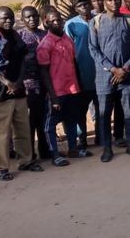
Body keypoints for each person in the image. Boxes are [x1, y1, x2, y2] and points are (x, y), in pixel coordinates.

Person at [0, 7, 43, 180]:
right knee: (1, 133)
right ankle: (2, 168)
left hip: (18, 89)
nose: (8, 21)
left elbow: (23, 58)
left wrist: (18, 81)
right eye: (4, 18)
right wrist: (5, 82)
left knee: (22, 129)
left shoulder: (14, 34)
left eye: (11, 17)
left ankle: (26, 161)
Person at [88, 0, 130, 162]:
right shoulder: (96, 22)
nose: (114, 3)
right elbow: (93, 49)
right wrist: (113, 69)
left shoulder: (129, 21)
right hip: (105, 76)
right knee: (104, 114)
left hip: (126, 75)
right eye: (110, 0)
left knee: (129, 112)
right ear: (104, 2)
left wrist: (125, 68)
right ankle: (107, 148)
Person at [37, 10, 83, 167]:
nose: (57, 23)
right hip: (56, 91)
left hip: (72, 88)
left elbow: (74, 63)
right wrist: (53, 96)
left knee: (71, 119)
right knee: (50, 124)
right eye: (53, 21)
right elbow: (44, 72)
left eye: (59, 20)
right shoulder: (45, 44)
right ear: (46, 23)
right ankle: (55, 155)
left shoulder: (67, 39)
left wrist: (79, 85)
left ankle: (73, 149)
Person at [17, 6, 51, 160]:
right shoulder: (19, 36)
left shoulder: (45, 34)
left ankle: (45, 149)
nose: (32, 19)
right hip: (28, 84)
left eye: (35, 16)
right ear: (22, 19)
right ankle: (29, 153)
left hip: (45, 82)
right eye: (28, 17)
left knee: (44, 117)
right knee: (30, 121)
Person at [64, 0, 97, 150]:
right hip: (81, 73)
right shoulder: (71, 25)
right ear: (75, 8)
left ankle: (101, 136)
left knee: (101, 108)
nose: (83, 6)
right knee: (80, 110)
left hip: (100, 71)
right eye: (79, 5)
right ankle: (82, 139)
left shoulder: (98, 20)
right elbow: (68, 50)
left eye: (85, 3)